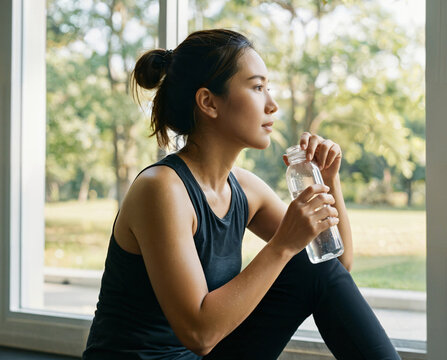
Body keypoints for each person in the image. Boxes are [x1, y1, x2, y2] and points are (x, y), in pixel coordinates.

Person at [83, 29, 400, 360]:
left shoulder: (245, 188)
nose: (273, 105)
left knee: (311, 265)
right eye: (258, 87)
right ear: (209, 102)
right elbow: (199, 334)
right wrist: (282, 246)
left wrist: (329, 181)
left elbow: (333, 267)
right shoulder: (161, 189)